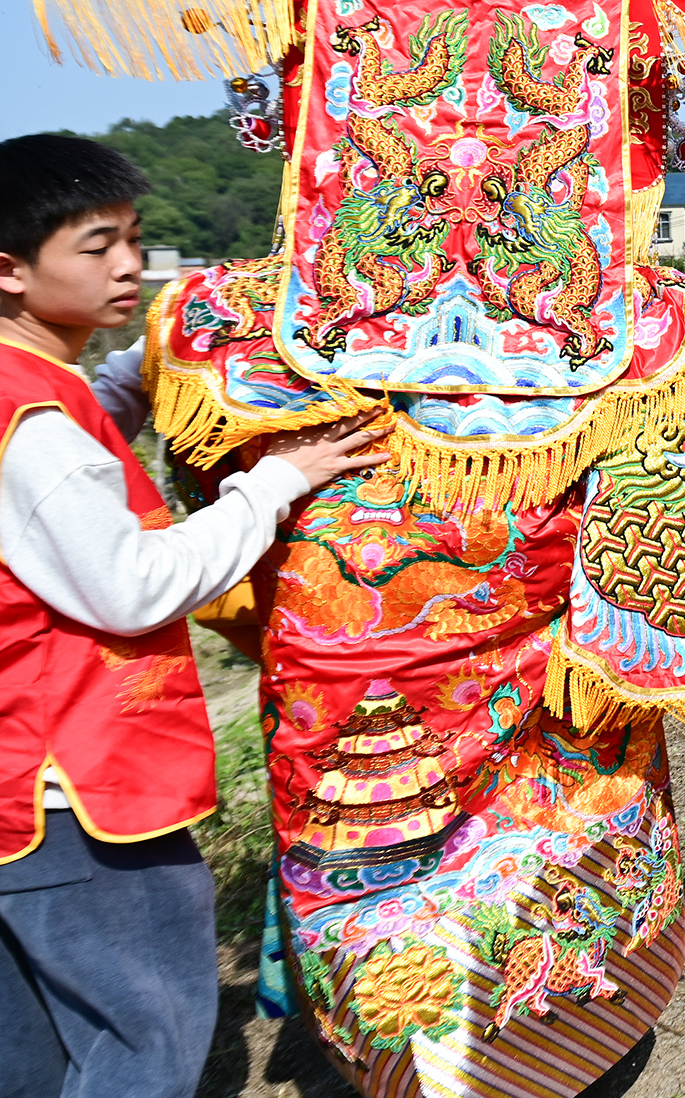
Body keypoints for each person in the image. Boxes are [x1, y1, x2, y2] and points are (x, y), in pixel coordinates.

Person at [0, 135, 386, 1098]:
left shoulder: (44, 392)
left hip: (33, 789)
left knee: (40, 1055)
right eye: (96, 246)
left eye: (133, 238)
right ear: (9, 269)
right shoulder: (33, 423)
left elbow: (92, 422)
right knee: (146, 1046)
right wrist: (272, 487)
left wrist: (155, 364)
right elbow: (130, 583)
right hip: (76, 794)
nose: (129, 263)